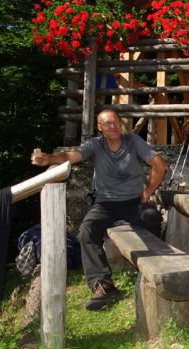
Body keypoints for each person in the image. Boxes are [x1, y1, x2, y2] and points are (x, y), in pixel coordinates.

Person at [31, 109, 168, 311]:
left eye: (115, 122)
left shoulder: (133, 141)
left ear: (120, 123)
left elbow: (160, 164)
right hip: (105, 204)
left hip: (133, 201)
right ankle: (102, 285)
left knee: (151, 217)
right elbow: (71, 155)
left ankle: (156, 272)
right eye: (107, 123)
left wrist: (147, 192)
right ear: (100, 127)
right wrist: (48, 159)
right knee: (87, 230)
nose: (112, 126)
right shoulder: (96, 145)